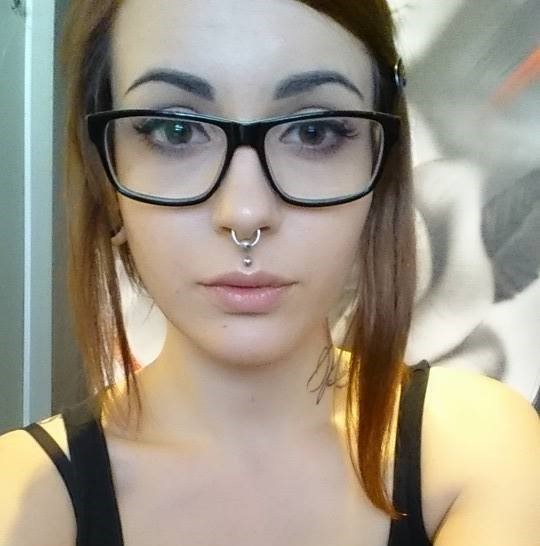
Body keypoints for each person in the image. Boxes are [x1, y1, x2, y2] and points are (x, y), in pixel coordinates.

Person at [1, 1, 538, 545]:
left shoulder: (478, 446)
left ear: (380, 170)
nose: (245, 213)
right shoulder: (20, 492)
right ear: (107, 182)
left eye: (314, 132)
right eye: (175, 131)